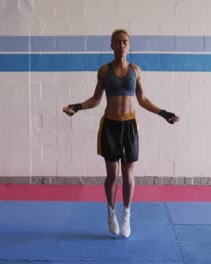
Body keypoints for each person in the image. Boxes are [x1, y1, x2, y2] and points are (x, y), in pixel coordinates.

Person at [62, 29, 179, 238]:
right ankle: (110, 212)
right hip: (110, 126)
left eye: (125, 42)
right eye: (117, 42)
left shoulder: (136, 70)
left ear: (129, 46)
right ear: (111, 45)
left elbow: (142, 100)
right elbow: (96, 99)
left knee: (128, 175)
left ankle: (126, 214)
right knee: (111, 174)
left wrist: (164, 113)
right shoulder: (104, 71)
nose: (121, 45)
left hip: (129, 126)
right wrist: (77, 106)